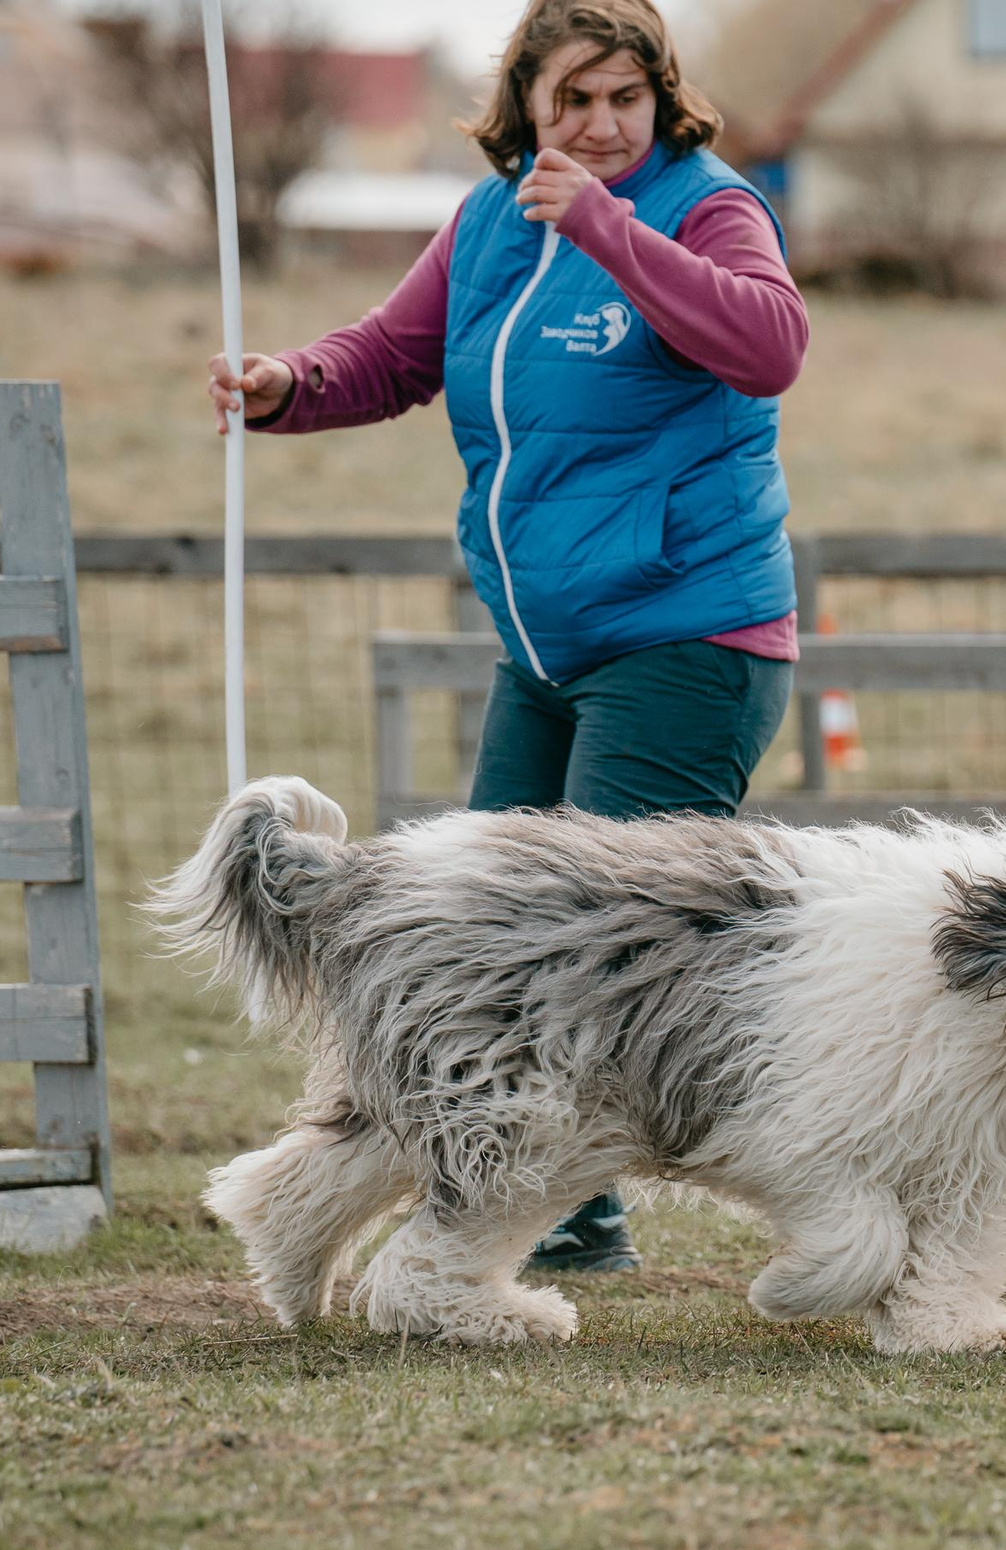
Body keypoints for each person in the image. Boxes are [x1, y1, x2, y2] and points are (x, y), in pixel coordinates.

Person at [208, 0, 810, 1274]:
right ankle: (538, 1206)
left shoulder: (708, 208)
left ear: (661, 100)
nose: (598, 125)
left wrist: (608, 226)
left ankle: (582, 1215)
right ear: (526, 105)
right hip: (542, 648)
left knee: (598, 952)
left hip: (687, 638)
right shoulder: (490, 220)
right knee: (479, 929)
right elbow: (392, 353)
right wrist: (289, 386)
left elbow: (767, 345)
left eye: (623, 100)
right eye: (571, 100)